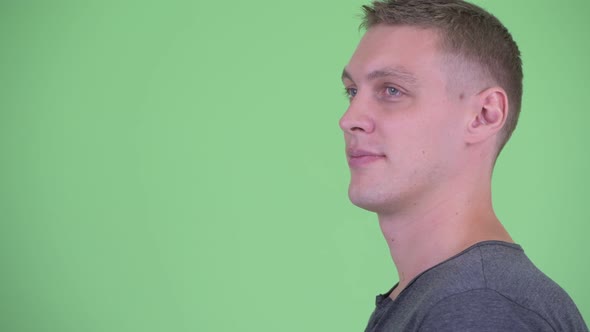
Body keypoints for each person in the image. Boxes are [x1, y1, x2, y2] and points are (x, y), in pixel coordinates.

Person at [339, 0, 588, 331]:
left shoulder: (478, 307)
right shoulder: (452, 298)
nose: (349, 119)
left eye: (392, 90)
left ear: (484, 115)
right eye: (352, 91)